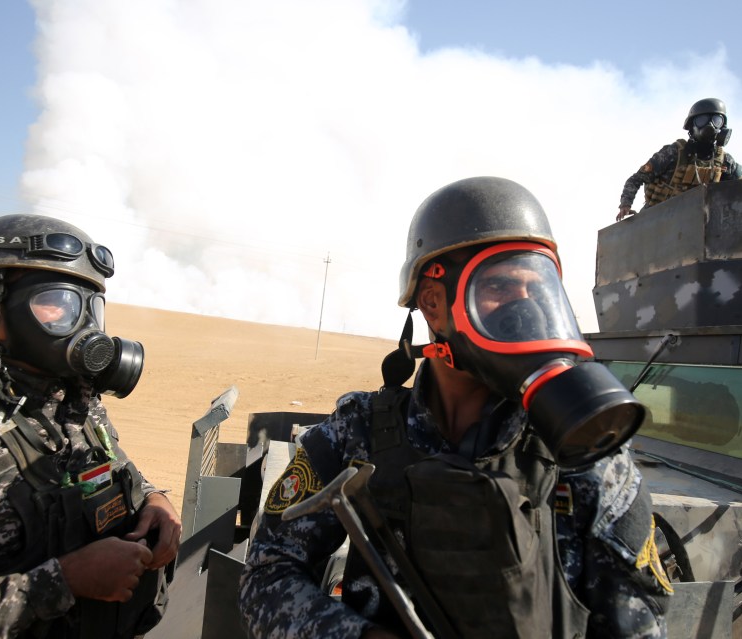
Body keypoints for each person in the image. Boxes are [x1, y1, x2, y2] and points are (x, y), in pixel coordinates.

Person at [239, 176, 673, 638]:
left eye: (537, 288)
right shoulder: (356, 432)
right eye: (501, 286)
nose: (525, 309)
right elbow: (267, 574)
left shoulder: (587, 451)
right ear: (433, 303)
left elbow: (639, 617)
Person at [0, 214, 182, 637]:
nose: (84, 325)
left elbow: (107, 470)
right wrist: (61, 583)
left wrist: (154, 500)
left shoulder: (77, 406)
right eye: (58, 302)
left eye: (90, 306)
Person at [617, 97, 742, 227]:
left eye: (716, 119)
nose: (710, 125)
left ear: (723, 126)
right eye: (702, 120)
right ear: (691, 125)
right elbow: (636, 179)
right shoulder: (673, 153)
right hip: (656, 222)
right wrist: (625, 205)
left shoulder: (725, 162)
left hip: (696, 228)